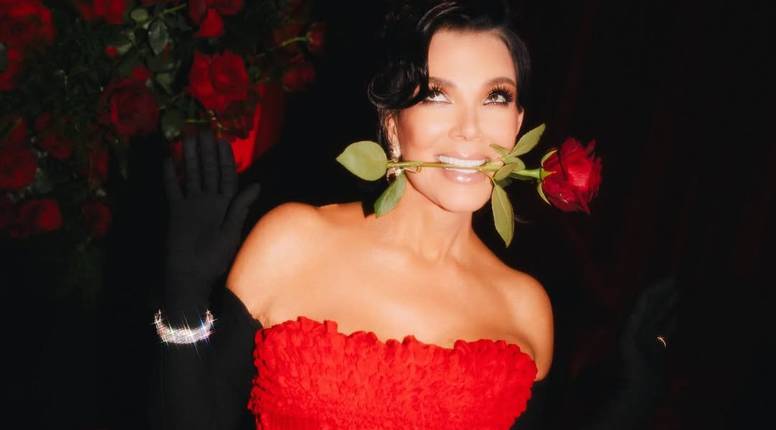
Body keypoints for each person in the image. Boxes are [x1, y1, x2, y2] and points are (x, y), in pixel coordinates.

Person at [152, 1, 554, 428]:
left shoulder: (524, 308)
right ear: (393, 123)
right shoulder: (294, 244)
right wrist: (184, 299)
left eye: (495, 97)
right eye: (437, 95)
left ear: (517, 124)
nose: (470, 129)